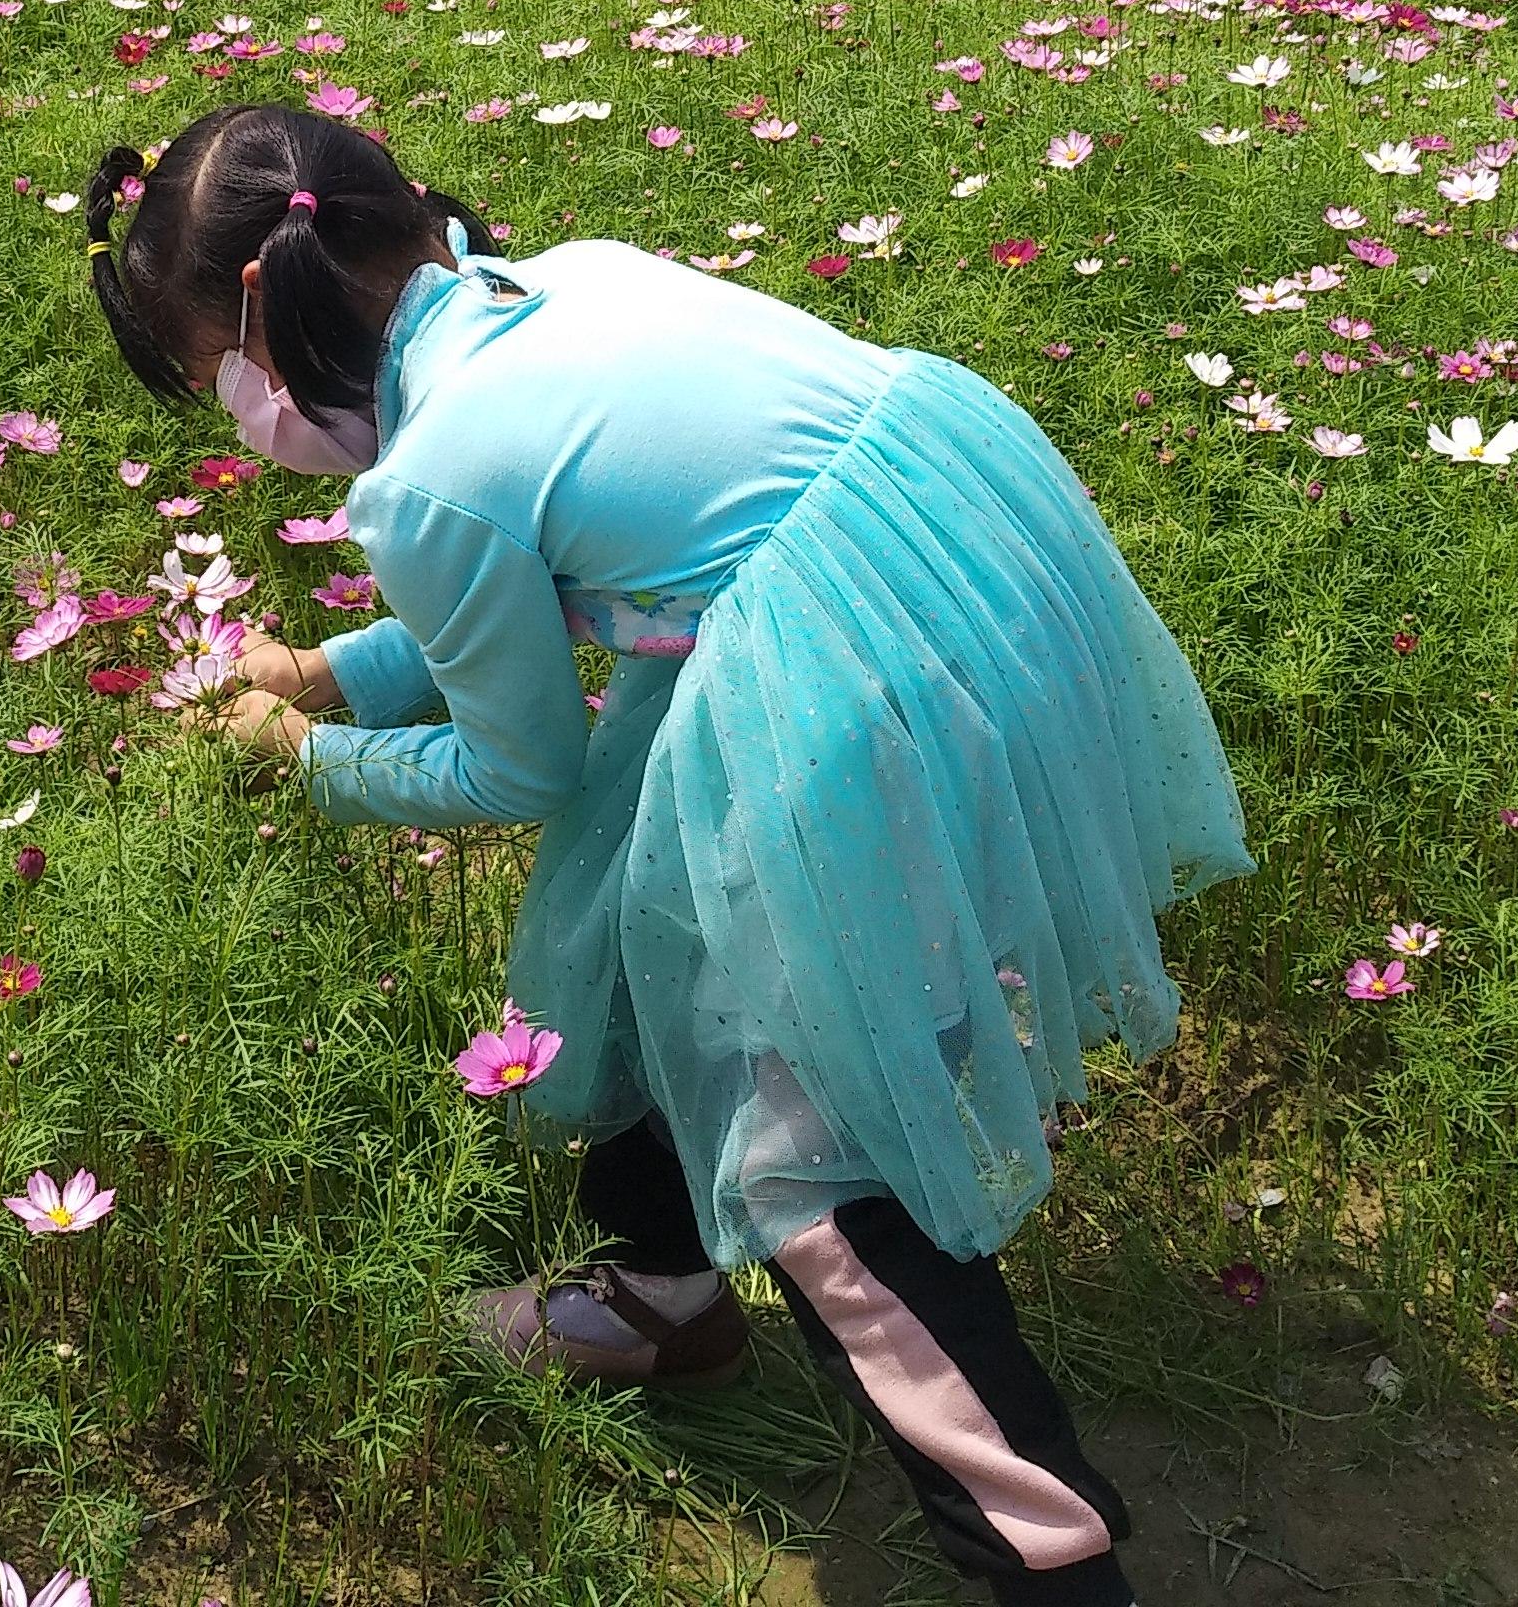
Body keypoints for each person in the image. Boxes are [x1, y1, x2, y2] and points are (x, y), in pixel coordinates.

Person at [84, 105, 1250, 1607]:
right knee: (652, 925)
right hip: (960, 562)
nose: (244, 418)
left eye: (215, 383)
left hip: (858, 689)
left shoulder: (428, 473)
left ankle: (1040, 1552)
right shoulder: (557, 282)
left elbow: (524, 760)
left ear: (264, 316)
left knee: (820, 1138)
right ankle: (663, 1296)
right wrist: (333, 670)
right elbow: (551, 570)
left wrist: (314, 761)